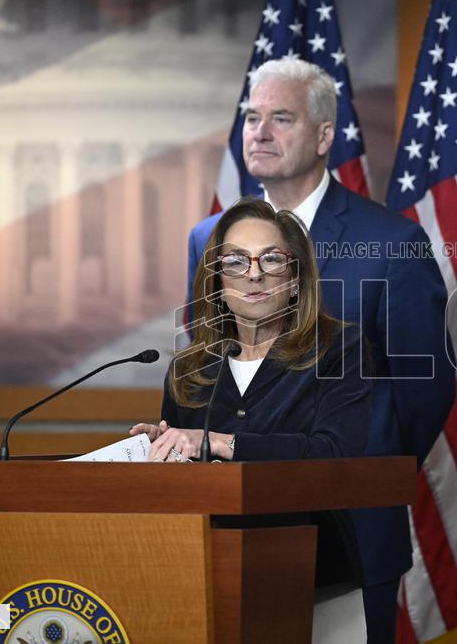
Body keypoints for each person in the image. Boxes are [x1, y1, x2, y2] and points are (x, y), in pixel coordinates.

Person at [186, 58, 455, 642]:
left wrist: (355, 475)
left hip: (350, 532)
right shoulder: (208, 240)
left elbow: (423, 392)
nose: (258, 132)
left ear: (325, 135)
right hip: (224, 530)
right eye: (252, 117)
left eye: (280, 118)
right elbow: (205, 370)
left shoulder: (393, 243)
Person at [131, 198, 369, 463]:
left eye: (271, 259)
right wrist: (167, 445)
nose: (254, 274)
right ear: (219, 285)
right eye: (235, 261)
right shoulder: (188, 370)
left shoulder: (336, 348)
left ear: (294, 281)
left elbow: (338, 453)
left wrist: (220, 442)